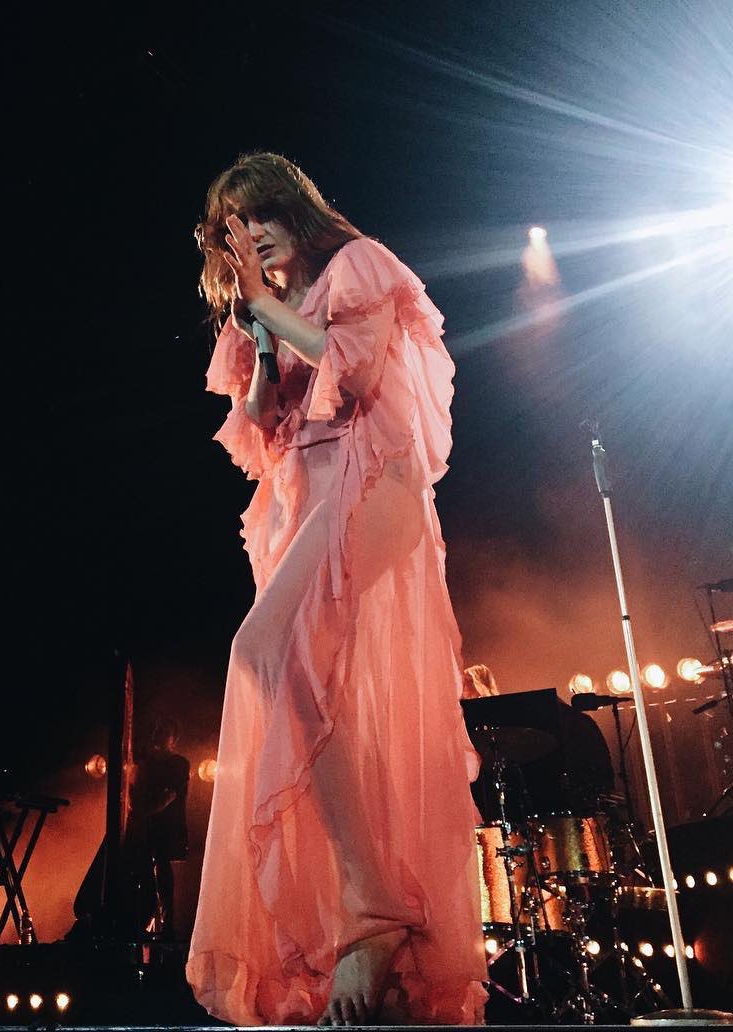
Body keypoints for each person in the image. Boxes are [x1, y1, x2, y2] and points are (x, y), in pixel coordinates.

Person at [186, 153, 486, 1025]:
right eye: (231, 227)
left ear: (291, 207)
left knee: (266, 647)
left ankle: (377, 904)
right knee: (311, 688)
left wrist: (277, 309)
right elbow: (262, 433)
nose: (249, 232)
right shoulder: (265, 314)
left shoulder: (357, 266)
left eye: (257, 213)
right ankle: (361, 918)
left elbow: (352, 370)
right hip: (310, 497)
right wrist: (259, 338)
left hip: (373, 479)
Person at [126, 716, 190, 939]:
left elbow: (169, 795)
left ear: (173, 739)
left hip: (166, 825)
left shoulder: (179, 764)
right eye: (157, 728)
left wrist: (142, 812)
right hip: (146, 824)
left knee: (162, 870)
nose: (159, 733)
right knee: (144, 871)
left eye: (164, 730)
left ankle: (167, 923)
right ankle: (145, 920)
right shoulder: (145, 763)